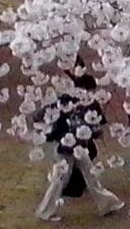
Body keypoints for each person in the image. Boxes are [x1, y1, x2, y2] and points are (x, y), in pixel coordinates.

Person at [34, 75, 122, 221]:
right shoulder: (64, 101)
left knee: (91, 175)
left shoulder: (87, 104)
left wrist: (94, 131)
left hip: (79, 147)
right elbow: (48, 117)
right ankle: (45, 211)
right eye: (89, 90)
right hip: (65, 147)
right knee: (60, 179)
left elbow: (93, 122)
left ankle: (108, 203)